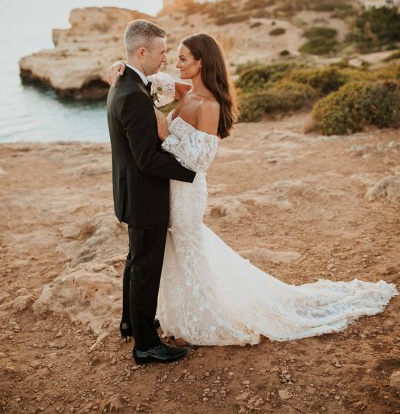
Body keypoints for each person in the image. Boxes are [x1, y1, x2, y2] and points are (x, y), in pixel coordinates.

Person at [108, 32, 397, 346]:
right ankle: (171, 314)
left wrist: (167, 137)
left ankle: (204, 315)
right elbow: (144, 81)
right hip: (170, 188)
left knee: (189, 249)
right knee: (173, 252)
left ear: (201, 63)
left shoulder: (209, 104)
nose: (174, 63)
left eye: (182, 58)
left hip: (187, 192)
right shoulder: (184, 90)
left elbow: (201, 160)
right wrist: (120, 65)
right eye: (172, 55)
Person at [106, 19, 196, 365]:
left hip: (131, 192)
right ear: (142, 51)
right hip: (145, 196)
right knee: (146, 267)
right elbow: (147, 159)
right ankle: (145, 344)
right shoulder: (133, 96)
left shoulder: (124, 83)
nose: (164, 59)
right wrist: (189, 170)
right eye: (160, 51)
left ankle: (131, 321)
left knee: (135, 261)